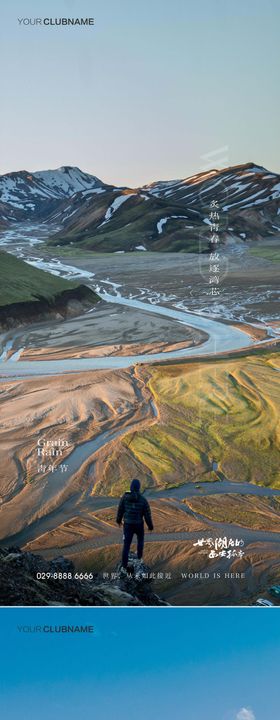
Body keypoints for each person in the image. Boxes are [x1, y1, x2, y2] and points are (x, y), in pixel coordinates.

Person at [116, 478, 154, 570]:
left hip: (128, 525)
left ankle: (124, 565)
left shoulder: (124, 497)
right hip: (138, 525)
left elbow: (120, 510)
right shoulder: (143, 500)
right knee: (140, 541)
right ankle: (139, 558)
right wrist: (150, 526)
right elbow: (147, 515)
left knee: (126, 545)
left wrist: (118, 521)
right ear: (139, 488)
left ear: (131, 487)